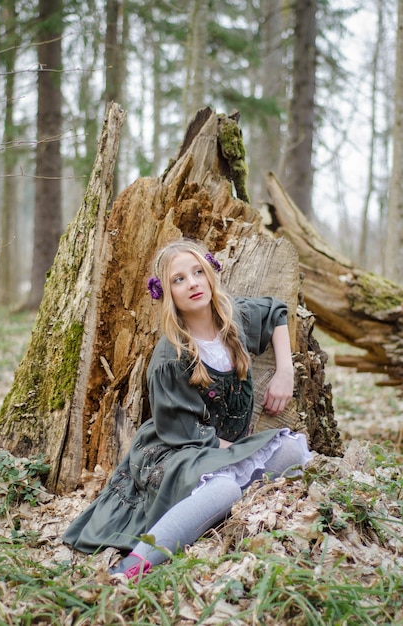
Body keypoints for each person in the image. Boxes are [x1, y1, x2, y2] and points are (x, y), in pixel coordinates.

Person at [62, 238, 312, 581]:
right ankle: (134, 564)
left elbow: (276, 311)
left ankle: (218, 505)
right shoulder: (170, 358)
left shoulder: (232, 320)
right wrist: (242, 453)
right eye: (179, 279)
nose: (192, 283)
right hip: (174, 451)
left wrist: (286, 371)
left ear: (210, 274)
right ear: (167, 292)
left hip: (218, 450)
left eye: (197, 272)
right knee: (224, 487)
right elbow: (185, 434)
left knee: (290, 449)